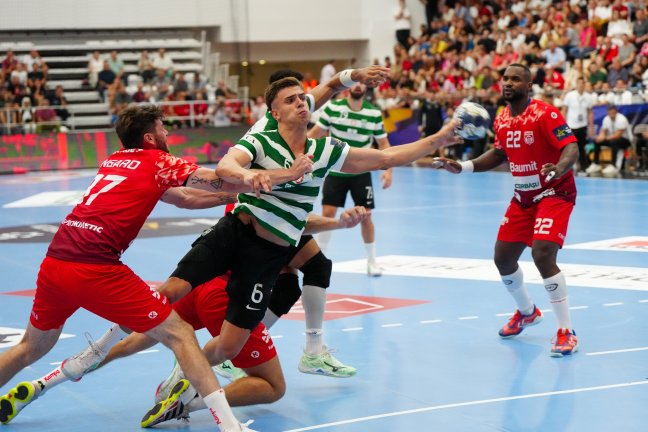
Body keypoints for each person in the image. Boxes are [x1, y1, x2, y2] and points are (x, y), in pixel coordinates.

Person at [149, 76, 459, 410]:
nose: (301, 102)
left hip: (271, 250)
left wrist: (438, 139)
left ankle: (186, 374)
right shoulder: (262, 138)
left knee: (231, 344)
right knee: (170, 293)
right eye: (291, 99)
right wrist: (251, 175)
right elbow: (226, 165)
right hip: (238, 229)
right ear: (274, 112)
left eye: (302, 98)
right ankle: (117, 345)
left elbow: (387, 157)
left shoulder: (325, 151)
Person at [0, 104, 310, 431]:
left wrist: (238, 197)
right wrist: (282, 176)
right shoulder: (159, 161)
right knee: (181, 334)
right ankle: (230, 426)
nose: (167, 133)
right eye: (163, 128)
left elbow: (186, 199)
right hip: (96, 267)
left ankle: (72, 365)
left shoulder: (114, 160)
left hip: (55, 263)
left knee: (29, 348)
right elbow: (216, 180)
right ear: (150, 137)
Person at [0, 206, 370, 427]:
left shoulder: (244, 192)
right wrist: (339, 223)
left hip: (198, 284)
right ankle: (188, 397)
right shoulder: (281, 204)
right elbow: (314, 259)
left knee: (134, 340)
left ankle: (43, 383)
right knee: (272, 386)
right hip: (227, 298)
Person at [432, 64, 580, 357]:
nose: (508, 83)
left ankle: (566, 331)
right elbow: (499, 154)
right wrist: (462, 167)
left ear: (529, 85)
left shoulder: (545, 114)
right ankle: (527, 312)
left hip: (555, 193)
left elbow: (571, 147)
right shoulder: (501, 118)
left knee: (542, 254)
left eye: (515, 79)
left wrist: (559, 167)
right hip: (523, 198)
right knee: (503, 258)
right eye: (505, 79)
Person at [309, 81, 393, 276]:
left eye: (362, 84)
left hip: (361, 173)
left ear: (366, 88)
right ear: (348, 86)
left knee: (366, 216)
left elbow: (383, 143)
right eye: (355, 82)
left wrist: (389, 170)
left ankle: (372, 262)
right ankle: (319, 260)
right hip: (335, 171)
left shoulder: (373, 113)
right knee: (327, 214)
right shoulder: (333, 108)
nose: (358, 86)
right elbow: (315, 134)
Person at [561, 77, 595, 175]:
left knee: (581, 148)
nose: (581, 85)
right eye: (579, 83)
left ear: (584, 85)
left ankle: (583, 168)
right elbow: (564, 110)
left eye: (582, 83)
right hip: (571, 125)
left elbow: (590, 113)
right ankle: (568, 168)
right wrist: (562, 125)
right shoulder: (570, 95)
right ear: (576, 84)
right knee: (569, 148)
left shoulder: (588, 97)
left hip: (582, 126)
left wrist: (591, 127)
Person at [587, 104, 632, 175]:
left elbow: (617, 135)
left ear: (616, 112)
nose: (611, 115)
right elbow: (603, 131)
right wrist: (599, 138)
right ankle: (596, 164)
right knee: (597, 142)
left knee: (614, 142)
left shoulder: (622, 119)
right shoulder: (606, 119)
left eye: (613, 113)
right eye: (610, 113)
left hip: (625, 141)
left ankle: (613, 165)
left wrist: (604, 138)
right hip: (612, 139)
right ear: (608, 112)